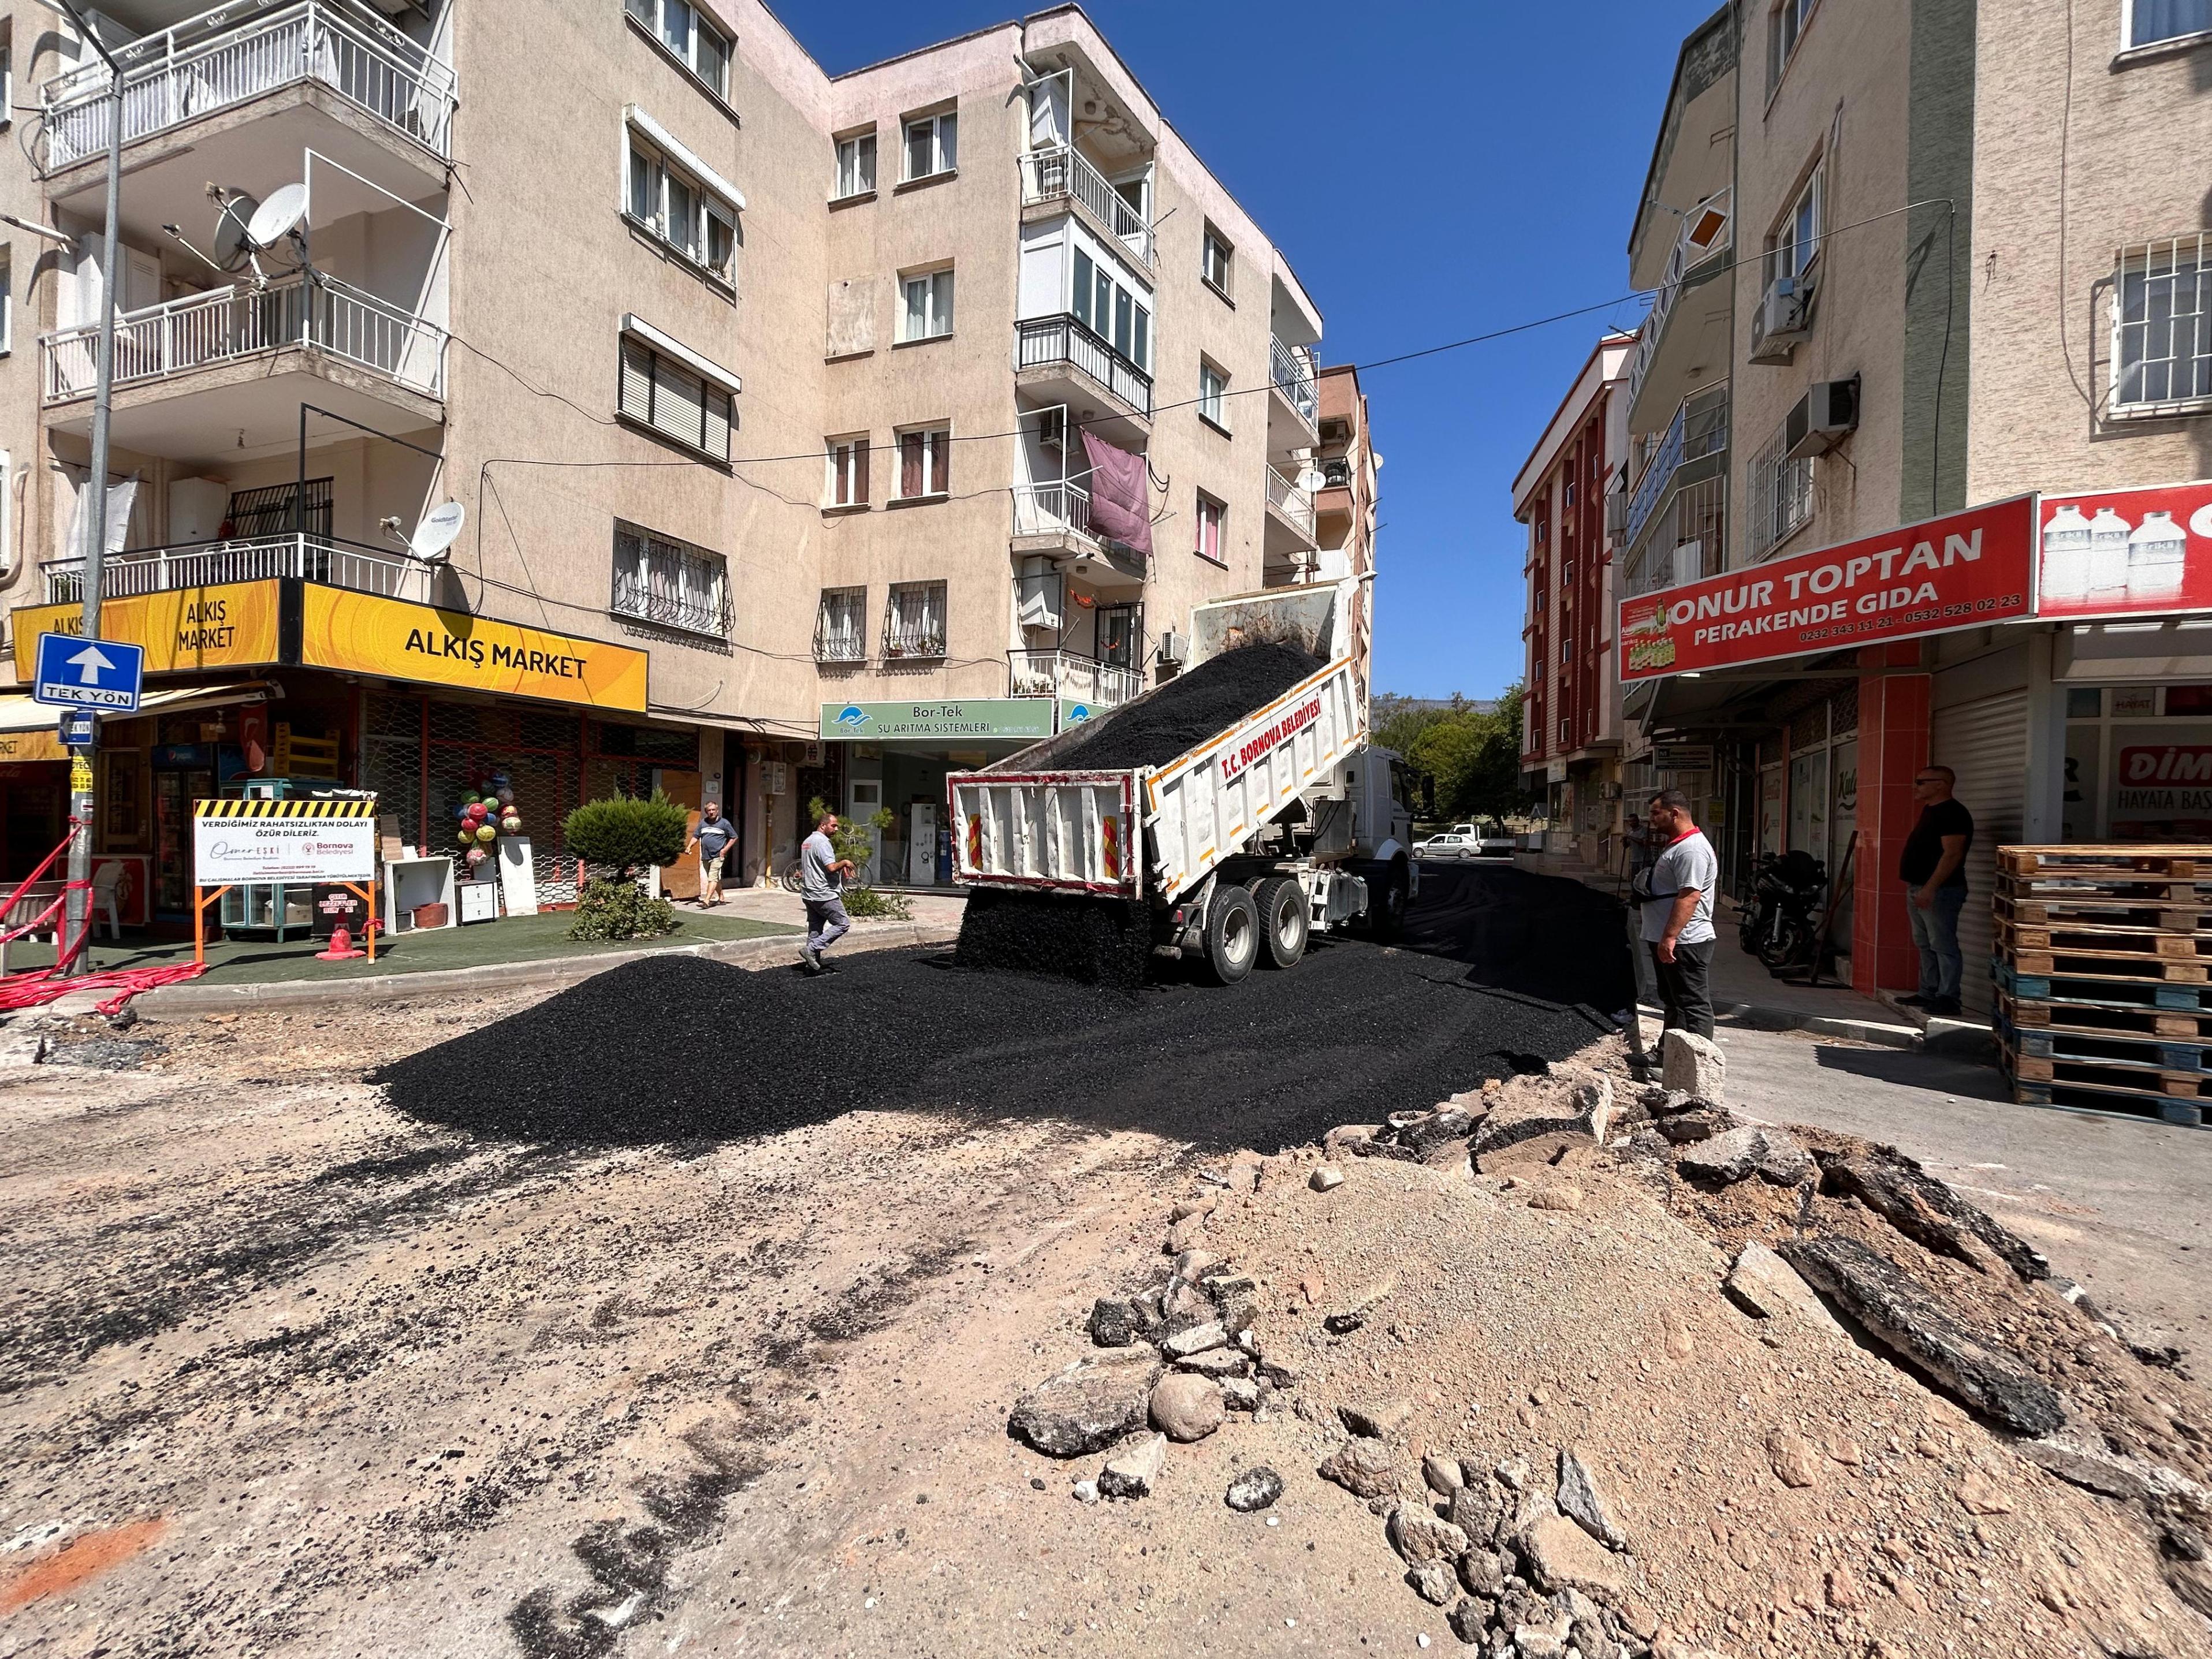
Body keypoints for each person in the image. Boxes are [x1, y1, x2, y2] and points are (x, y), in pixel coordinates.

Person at [1637, 788, 1719, 1047]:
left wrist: (1670, 937)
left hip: (1685, 942)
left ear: (1674, 814)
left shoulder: (1691, 850)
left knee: (1692, 1003)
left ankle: (1698, 1065)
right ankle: (1668, 1054)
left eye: (1655, 813)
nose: (1651, 819)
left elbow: (1690, 896)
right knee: (1673, 1001)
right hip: (1668, 939)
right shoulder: (1678, 846)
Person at [1898, 763, 1973, 1016]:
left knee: (1942, 944)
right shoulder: (1931, 811)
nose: (1915, 786)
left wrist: (1930, 888)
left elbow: (1952, 854)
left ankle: (1948, 996)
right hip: (1919, 888)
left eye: (1921, 782)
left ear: (1941, 784)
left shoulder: (1953, 813)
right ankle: (1928, 991)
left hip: (1941, 891)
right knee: (1924, 943)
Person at [799, 809, 857, 975]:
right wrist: (844, 862)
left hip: (808, 893)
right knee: (843, 923)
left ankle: (812, 965)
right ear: (823, 825)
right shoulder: (823, 843)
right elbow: (831, 868)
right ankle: (811, 950)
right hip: (823, 893)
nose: (837, 829)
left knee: (816, 929)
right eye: (834, 826)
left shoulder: (807, 841)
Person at [687, 801, 736, 908]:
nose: (711, 812)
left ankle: (707, 901)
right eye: (709, 810)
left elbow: (734, 837)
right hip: (706, 856)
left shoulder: (724, 823)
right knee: (713, 878)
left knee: (712, 878)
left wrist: (725, 850)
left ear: (717, 811)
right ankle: (721, 898)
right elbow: (696, 836)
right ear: (706, 812)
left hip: (718, 855)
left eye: (713, 810)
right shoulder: (703, 823)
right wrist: (689, 846)